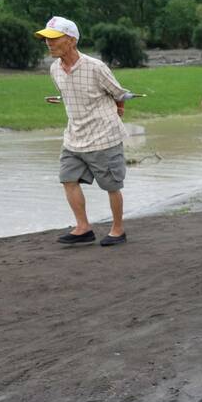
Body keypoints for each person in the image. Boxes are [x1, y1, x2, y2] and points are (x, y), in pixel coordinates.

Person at [36, 16, 130, 247]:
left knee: (111, 185)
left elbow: (119, 94)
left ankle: (118, 230)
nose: (48, 43)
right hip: (74, 137)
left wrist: (117, 111)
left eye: (53, 39)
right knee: (68, 178)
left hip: (104, 137)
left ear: (71, 40)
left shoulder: (96, 67)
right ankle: (83, 227)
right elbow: (68, 95)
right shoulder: (54, 69)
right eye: (46, 39)